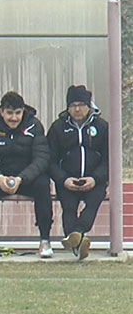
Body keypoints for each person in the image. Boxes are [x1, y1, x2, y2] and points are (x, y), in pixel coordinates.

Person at [0, 91, 53, 258]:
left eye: (18, 113)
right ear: (2, 111)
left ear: (23, 111)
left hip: (26, 179)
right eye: (9, 113)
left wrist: (21, 178)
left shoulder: (35, 126)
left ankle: (45, 240)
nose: (14, 118)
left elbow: (42, 159)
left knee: (43, 184)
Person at [47, 85, 108, 260]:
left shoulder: (102, 127)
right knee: (68, 208)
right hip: (67, 179)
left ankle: (77, 234)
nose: (77, 109)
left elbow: (108, 159)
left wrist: (95, 178)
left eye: (81, 104)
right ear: (67, 106)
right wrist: (63, 179)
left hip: (94, 180)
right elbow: (50, 160)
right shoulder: (57, 128)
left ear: (89, 105)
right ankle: (79, 242)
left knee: (93, 203)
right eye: (73, 104)